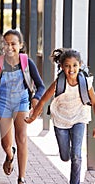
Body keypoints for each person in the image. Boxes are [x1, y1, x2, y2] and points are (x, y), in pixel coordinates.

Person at [0, 29, 45, 184]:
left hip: (21, 102)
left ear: (20, 45)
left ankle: (21, 178)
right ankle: (10, 155)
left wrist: (36, 99)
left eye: (13, 44)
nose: (9, 47)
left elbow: (41, 86)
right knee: (6, 143)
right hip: (3, 102)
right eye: (6, 44)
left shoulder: (27, 62)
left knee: (22, 138)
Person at [25, 48, 95, 184]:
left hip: (79, 118)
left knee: (76, 155)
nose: (71, 69)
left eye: (75, 65)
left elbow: (94, 102)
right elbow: (44, 100)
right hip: (60, 120)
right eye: (67, 66)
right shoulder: (59, 83)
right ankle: (66, 153)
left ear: (80, 65)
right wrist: (33, 117)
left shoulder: (85, 83)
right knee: (65, 156)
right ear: (62, 67)